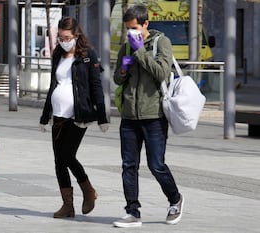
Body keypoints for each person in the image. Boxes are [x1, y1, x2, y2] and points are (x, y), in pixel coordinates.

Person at [112, 5, 184, 228]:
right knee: (128, 165)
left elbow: (162, 72)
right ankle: (132, 211)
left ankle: (175, 199)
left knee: (156, 165)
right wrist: (123, 69)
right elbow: (117, 79)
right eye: (128, 29)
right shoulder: (126, 47)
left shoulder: (161, 42)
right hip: (129, 117)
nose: (130, 33)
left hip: (154, 116)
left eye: (134, 28)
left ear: (145, 24)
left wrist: (140, 51)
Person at [39, 17, 109, 218]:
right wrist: (45, 116)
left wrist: (102, 116)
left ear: (76, 35)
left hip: (79, 114)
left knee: (67, 155)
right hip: (58, 115)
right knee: (58, 161)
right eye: (60, 37)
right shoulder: (57, 54)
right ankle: (67, 205)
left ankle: (88, 190)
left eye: (67, 37)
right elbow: (53, 85)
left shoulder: (88, 55)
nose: (63, 41)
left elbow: (96, 86)